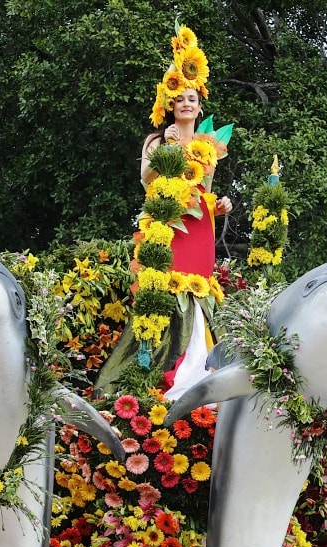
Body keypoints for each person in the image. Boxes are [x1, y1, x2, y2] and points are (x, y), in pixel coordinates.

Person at [95, 24, 232, 399]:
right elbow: (146, 179)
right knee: (165, 291)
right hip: (166, 226)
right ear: (170, 106)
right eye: (179, 100)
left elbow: (203, 191)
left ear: (199, 105)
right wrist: (169, 148)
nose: (186, 104)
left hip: (199, 227)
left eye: (192, 98)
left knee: (197, 292)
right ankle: (156, 374)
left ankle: (200, 370)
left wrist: (221, 205)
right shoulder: (157, 139)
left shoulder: (209, 146)